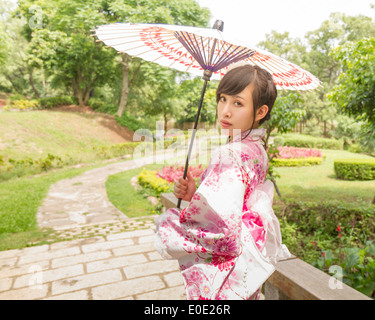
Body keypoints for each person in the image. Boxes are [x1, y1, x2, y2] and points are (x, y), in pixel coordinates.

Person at [155, 64, 290, 300]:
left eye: (238, 103)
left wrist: (171, 225)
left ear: (260, 111)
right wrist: (195, 195)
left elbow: (222, 232)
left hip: (226, 273)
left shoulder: (229, 154)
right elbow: (235, 202)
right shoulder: (257, 149)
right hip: (245, 265)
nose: (225, 111)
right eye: (222, 99)